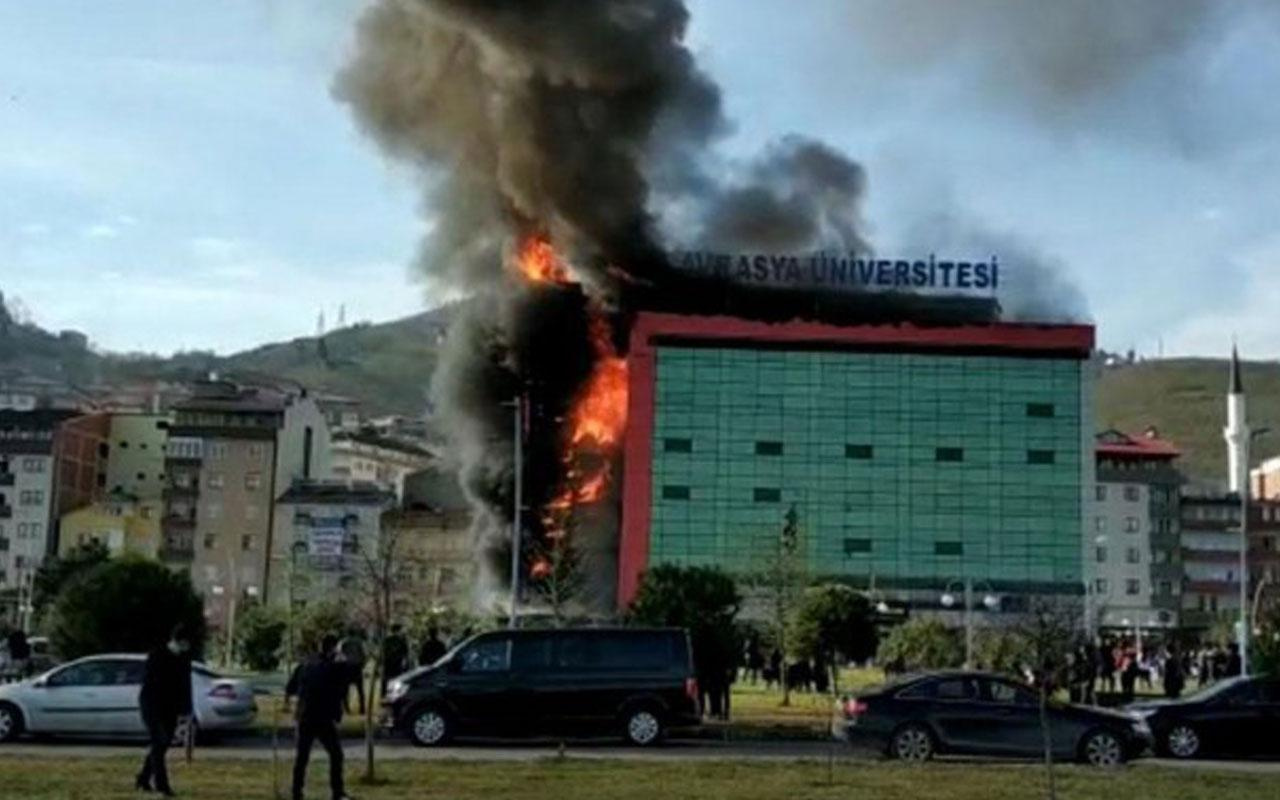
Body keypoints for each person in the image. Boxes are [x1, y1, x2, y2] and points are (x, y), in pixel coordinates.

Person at [287, 634, 353, 800]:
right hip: (323, 718)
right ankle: (337, 792)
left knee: (302, 757)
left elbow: (291, 688)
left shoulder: (305, 665)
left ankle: (296, 792)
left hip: (304, 716)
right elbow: (346, 679)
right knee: (336, 755)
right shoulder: (334, 667)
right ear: (333, 649)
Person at [136, 624, 194, 797]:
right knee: (159, 742)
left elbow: (185, 685)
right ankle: (162, 786)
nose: (188, 646)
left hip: (171, 708)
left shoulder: (183, 659)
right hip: (152, 706)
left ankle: (143, 778)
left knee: (161, 745)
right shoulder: (157, 655)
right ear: (178, 640)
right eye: (186, 642)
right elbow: (150, 685)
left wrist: (187, 709)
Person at [382, 624, 409, 694]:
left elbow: (384, 652)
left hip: (388, 664)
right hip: (397, 664)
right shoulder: (401, 641)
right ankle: (396, 695)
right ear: (398, 631)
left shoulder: (387, 640)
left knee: (387, 681)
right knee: (398, 680)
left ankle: (385, 695)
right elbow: (405, 653)